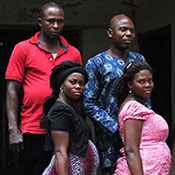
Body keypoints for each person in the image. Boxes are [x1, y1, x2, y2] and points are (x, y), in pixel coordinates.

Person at [5, 2, 82, 175]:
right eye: (51, 21)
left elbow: (79, 91)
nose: (56, 26)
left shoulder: (73, 52)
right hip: (33, 128)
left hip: (65, 127)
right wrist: (13, 129)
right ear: (40, 22)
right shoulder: (23, 48)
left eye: (60, 21)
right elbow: (11, 91)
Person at [83, 14, 150, 175]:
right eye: (123, 30)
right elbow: (88, 103)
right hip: (109, 138)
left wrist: (148, 123)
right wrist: (116, 128)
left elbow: (146, 96)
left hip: (139, 133)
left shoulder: (139, 60)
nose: (128, 34)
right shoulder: (96, 63)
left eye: (132, 31)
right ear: (110, 33)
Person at [113, 60, 171, 174]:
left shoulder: (137, 106)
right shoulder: (133, 109)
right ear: (130, 84)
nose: (148, 85)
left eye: (150, 81)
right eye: (141, 81)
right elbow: (131, 150)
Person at [41, 61, 99, 175]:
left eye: (81, 83)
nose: (78, 86)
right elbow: (60, 152)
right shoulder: (60, 111)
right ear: (61, 85)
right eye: (73, 82)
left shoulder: (73, 108)